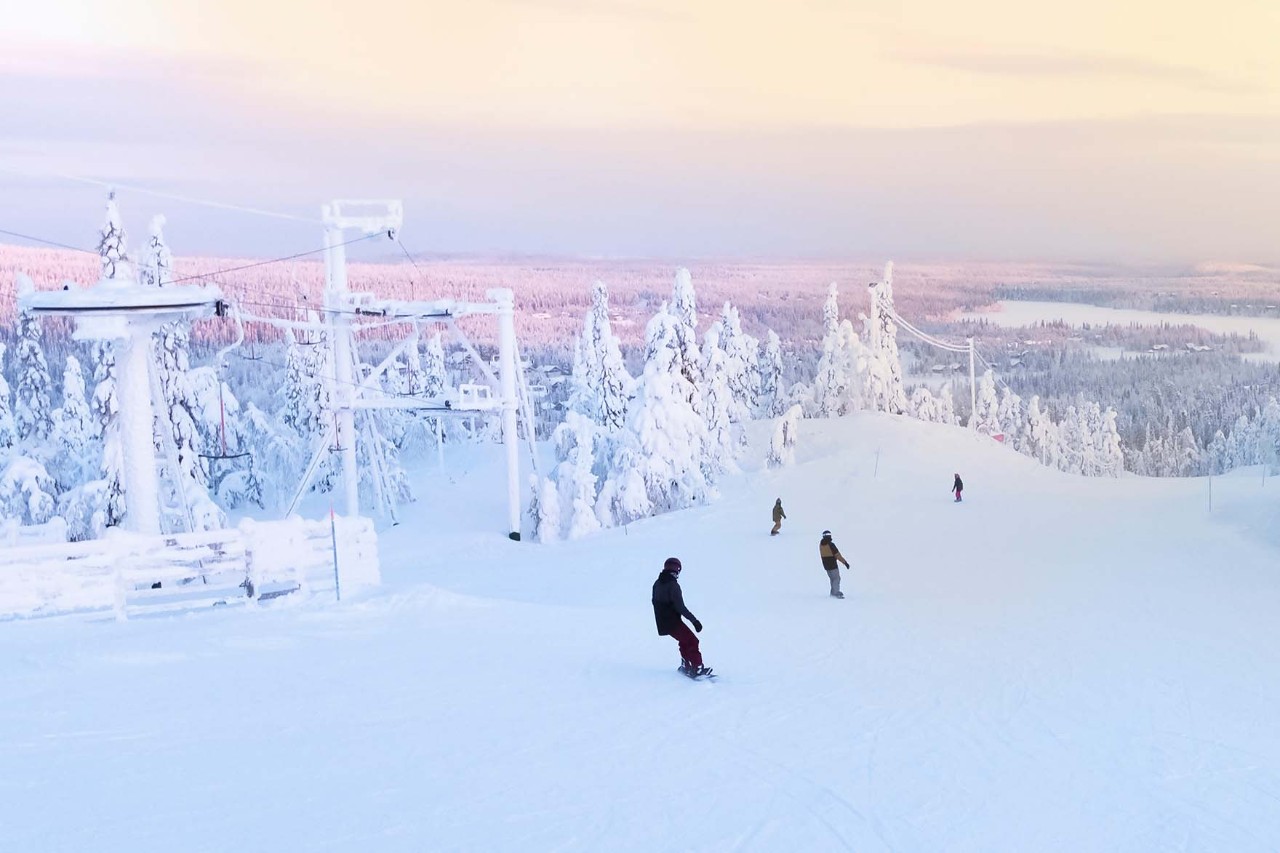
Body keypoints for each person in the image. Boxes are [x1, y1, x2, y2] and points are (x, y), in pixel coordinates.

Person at [651, 557, 711, 677]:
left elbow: (655, 602)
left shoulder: (657, 583)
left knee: (684, 640)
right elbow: (680, 607)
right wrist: (695, 621)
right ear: (677, 570)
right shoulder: (673, 585)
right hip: (672, 622)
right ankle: (697, 668)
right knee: (693, 641)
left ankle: (686, 664)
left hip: (664, 622)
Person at [819, 530, 850, 598]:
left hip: (826, 565)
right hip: (832, 564)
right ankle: (835, 593)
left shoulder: (821, 544)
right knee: (836, 578)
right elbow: (837, 555)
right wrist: (845, 563)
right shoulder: (831, 544)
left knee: (832, 579)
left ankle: (833, 592)